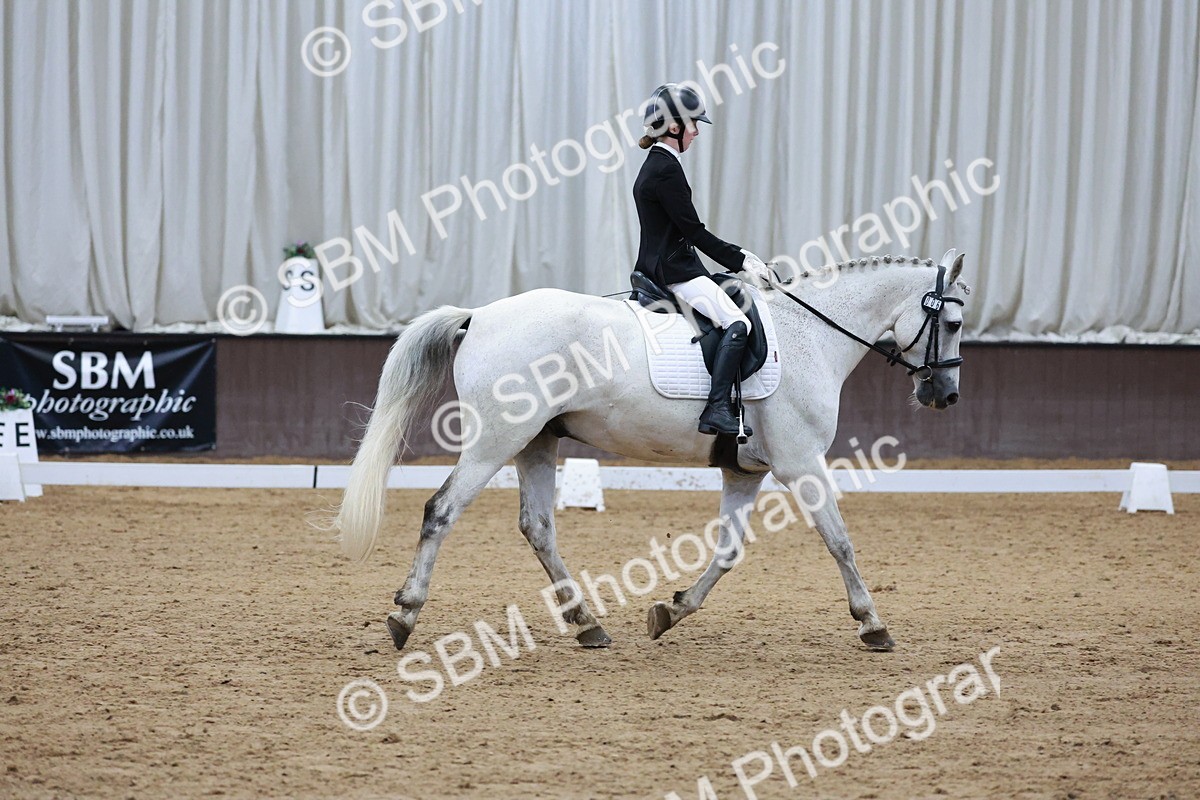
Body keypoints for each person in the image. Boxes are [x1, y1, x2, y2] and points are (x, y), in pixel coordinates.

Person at [632, 83, 772, 437]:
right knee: (738, 324)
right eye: (693, 124)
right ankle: (717, 409)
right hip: (675, 273)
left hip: (666, 265)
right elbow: (694, 231)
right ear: (675, 127)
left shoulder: (659, 164)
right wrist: (741, 260)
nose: (697, 132)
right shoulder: (666, 170)